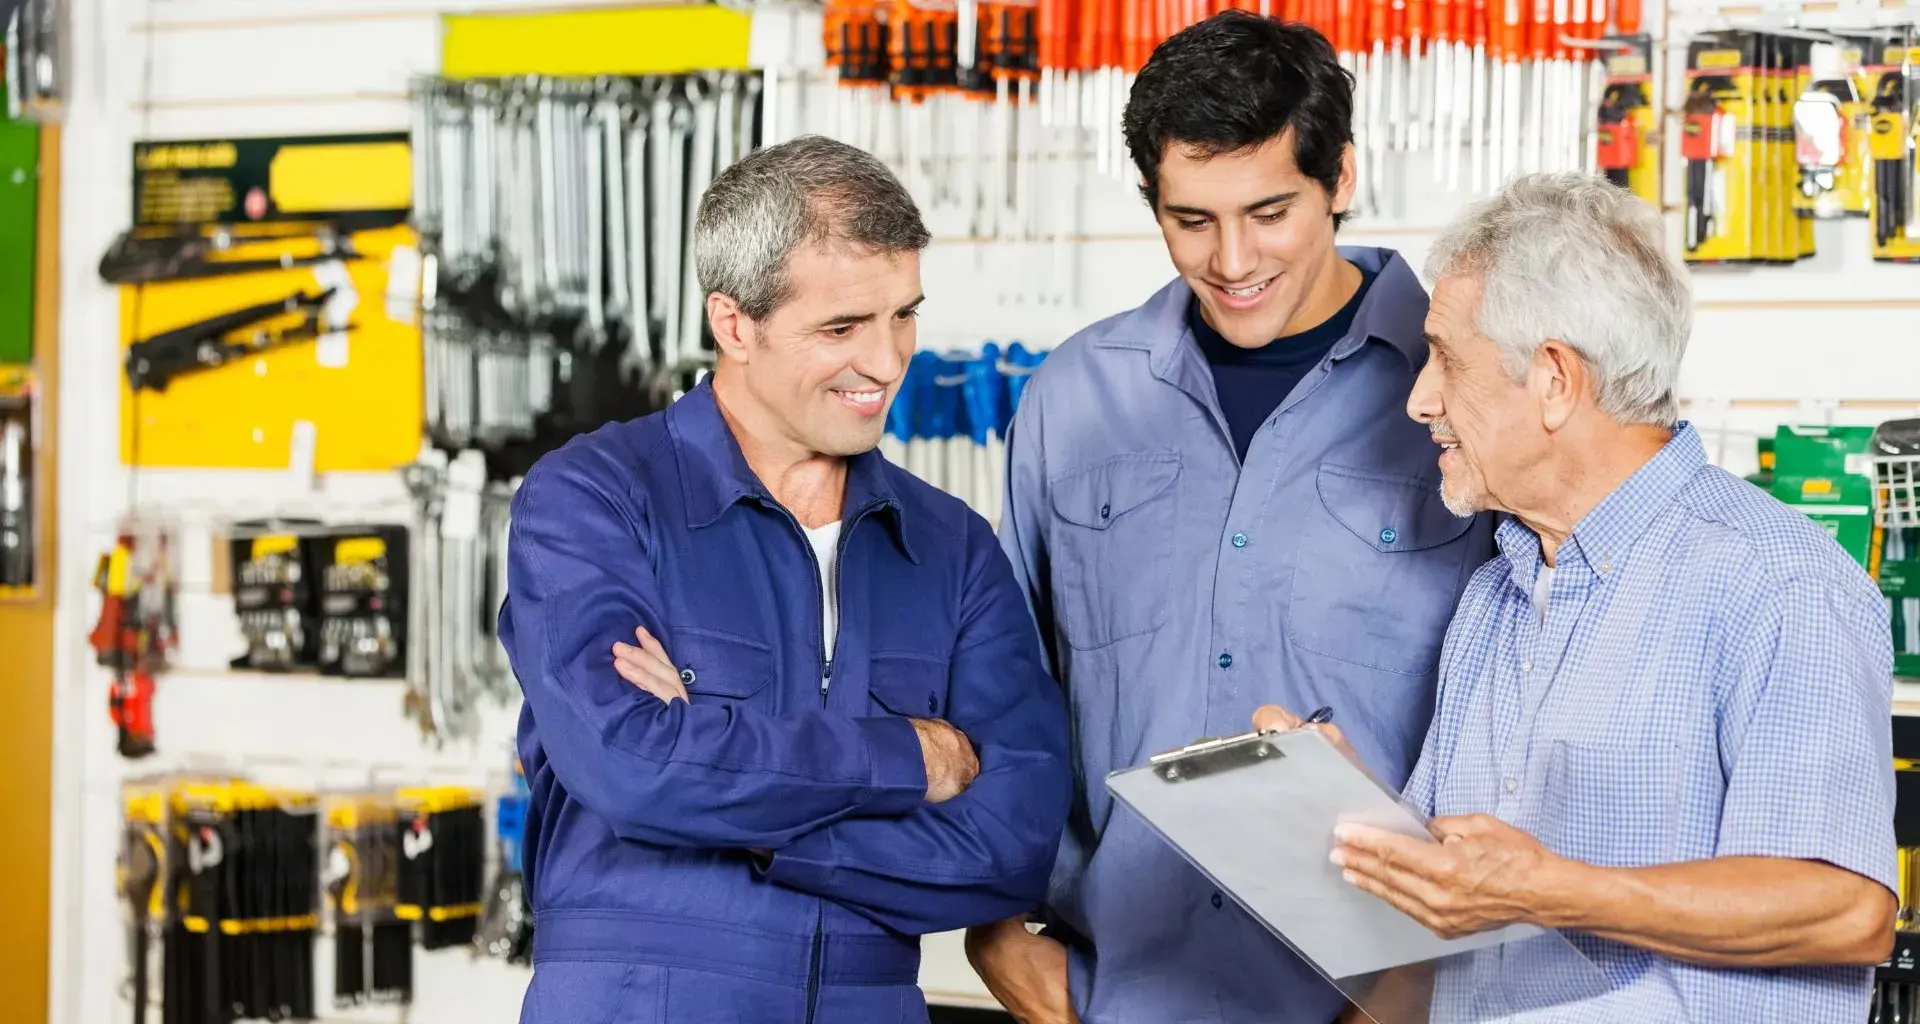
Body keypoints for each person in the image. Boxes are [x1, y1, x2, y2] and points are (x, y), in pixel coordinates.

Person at [1257, 172, 1897, 1021]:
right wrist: (1348, 817)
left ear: (1555, 378)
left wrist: (1551, 889)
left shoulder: (1779, 585)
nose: (1420, 400)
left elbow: (1847, 909)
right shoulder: (1495, 595)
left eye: (1445, 358)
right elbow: (1434, 935)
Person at [966, 12, 1496, 1024]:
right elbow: (1006, 689)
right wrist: (999, 939)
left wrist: (1401, 998)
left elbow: (1526, 722)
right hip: (1108, 994)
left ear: (1340, 178)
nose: (1232, 259)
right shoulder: (1075, 398)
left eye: (1270, 211)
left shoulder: (1463, 394)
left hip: (1378, 1000)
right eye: (1191, 220)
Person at [498, 134, 1073, 1024]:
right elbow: (628, 763)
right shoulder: (596, 500)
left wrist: (737, 809)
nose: (886, 363)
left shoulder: (951, 546)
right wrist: (911, 759)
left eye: (903, 316)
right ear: (734, 323)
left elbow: (1014, 842)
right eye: (842, 328)